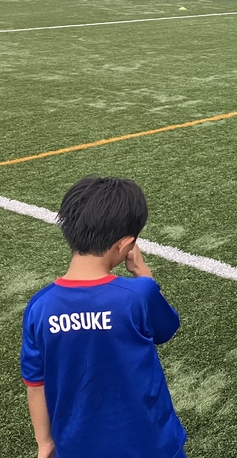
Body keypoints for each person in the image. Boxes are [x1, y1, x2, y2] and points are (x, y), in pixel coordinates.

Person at [20, 176, 186, 458]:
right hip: (151, 444)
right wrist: (142, 272)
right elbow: (166, 328)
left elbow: (35, 383)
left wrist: (44, 442)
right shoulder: (139, 293)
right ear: (125, 245)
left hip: (76, 447)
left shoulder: (40, 306)